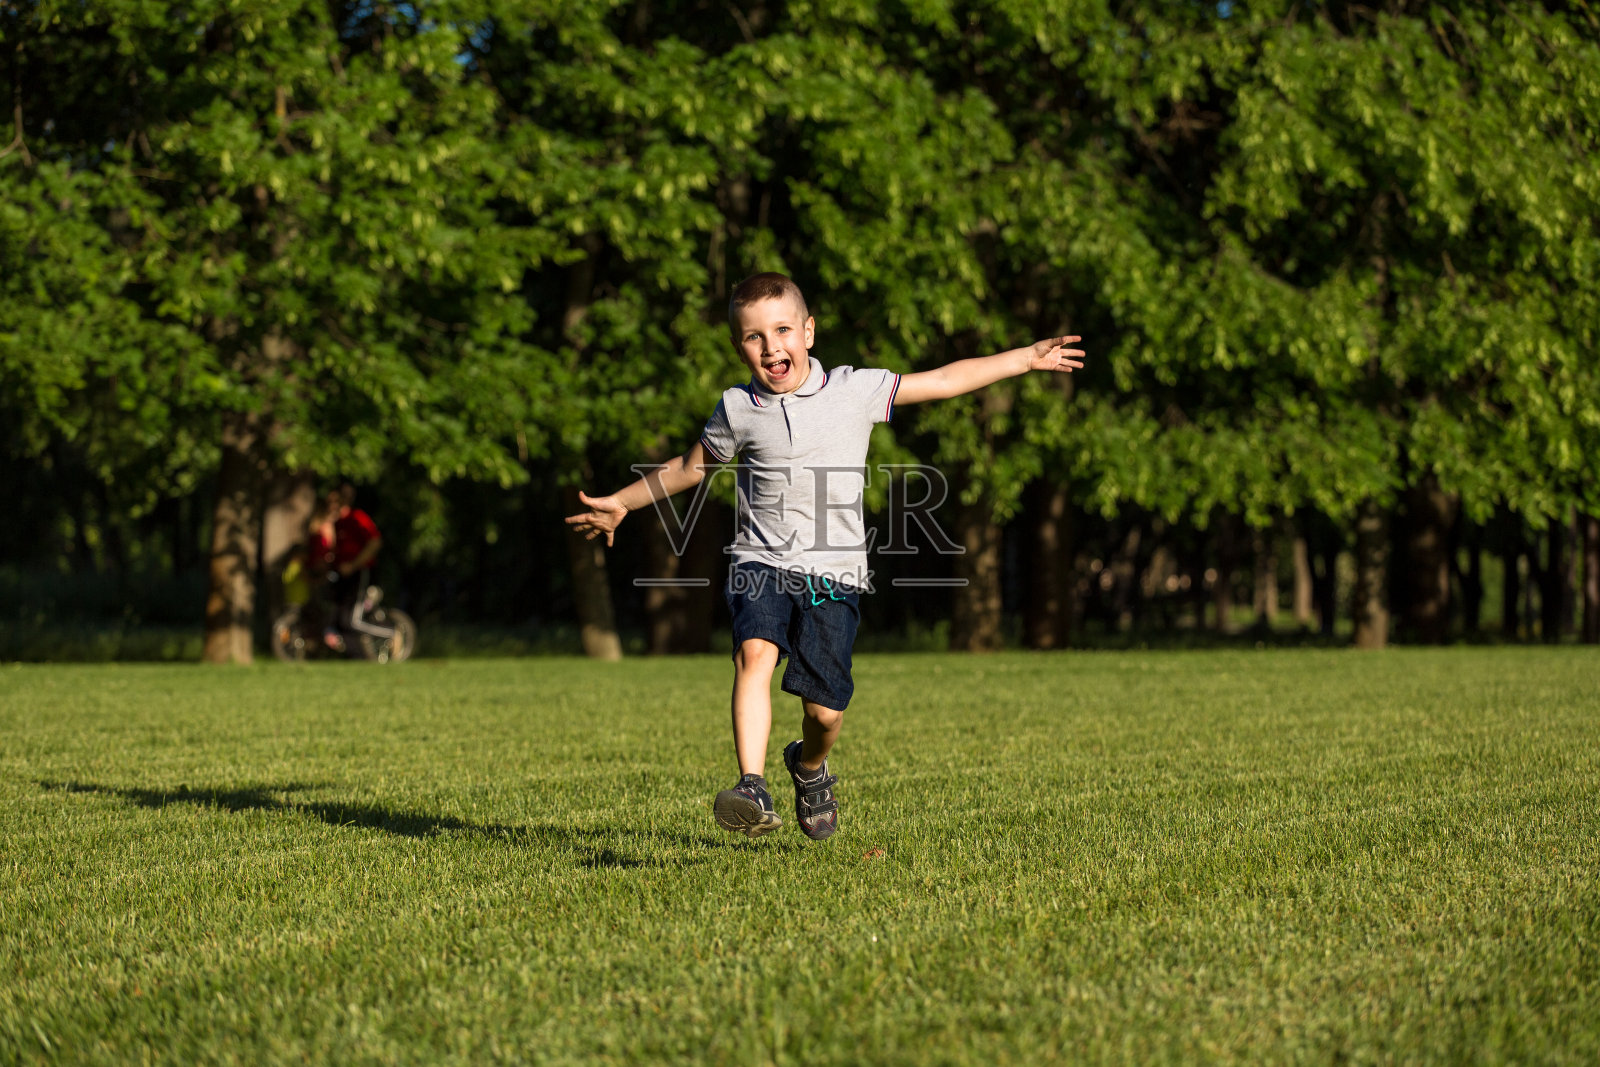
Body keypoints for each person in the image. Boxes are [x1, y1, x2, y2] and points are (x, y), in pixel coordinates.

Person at [565, 272, 1084, 840]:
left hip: (833, 575)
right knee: (754, 656)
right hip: (760, 561)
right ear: (739, 347)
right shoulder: (738, 407)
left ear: (808, 331)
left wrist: (1024, 360)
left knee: (824, 715)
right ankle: (751, 785)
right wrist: (622, 501)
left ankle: (809, 767)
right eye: (753, 337)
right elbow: (692, 467)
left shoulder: (853, 390)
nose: (770, 346)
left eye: (782, 329)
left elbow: (942, 380)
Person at [306, 483, 383, 652]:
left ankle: (391, 635)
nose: (331, 505)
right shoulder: (338, 522)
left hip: (360, 572)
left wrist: (354, 565)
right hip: (343, 574)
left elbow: (375, 542)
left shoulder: (357, 517)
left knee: (351, 620)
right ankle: (356, 656)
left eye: (334, 500)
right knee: (339, 617)